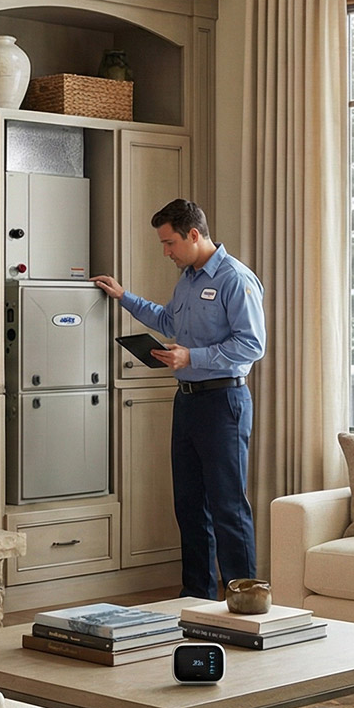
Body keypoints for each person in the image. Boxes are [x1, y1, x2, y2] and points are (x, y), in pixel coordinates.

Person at [91, 199, 266, 600]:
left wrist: (192, 356)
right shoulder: (187, 279)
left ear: (193, 234)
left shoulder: (235, 279)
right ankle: (196, 600)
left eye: (169, 243)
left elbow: (252, 345)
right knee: (188, 505)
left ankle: (245, 602)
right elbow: (170, 321)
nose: (166, 252)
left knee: (227, 507)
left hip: (224, 403)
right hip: (187, 402)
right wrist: (124, 297)